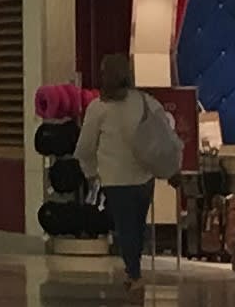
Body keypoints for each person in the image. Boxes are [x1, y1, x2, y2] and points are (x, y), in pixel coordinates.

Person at [75, 52, 184, 285]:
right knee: (137, 224)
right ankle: (133, 268)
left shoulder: (97, 109)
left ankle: (133, 273)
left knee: (125, 227)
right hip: (143, 176)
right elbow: (164, 133)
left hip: (115, 179)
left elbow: (85, 147)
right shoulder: (146, 101)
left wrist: (91, 173)